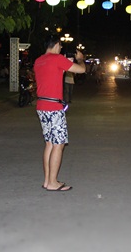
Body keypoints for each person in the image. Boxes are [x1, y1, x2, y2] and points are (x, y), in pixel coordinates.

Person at [34, 35, 86, 192]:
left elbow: (52, 76)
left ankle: (47, 180)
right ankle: (53, 182)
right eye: (61, 46)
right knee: (59, 144)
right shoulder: (57, 59)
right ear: (56, 45)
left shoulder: (39, 60)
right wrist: (81, 59)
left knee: (49, 143)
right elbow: (81, 70)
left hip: (42, 105)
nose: (61, 48)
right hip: (54, 107)